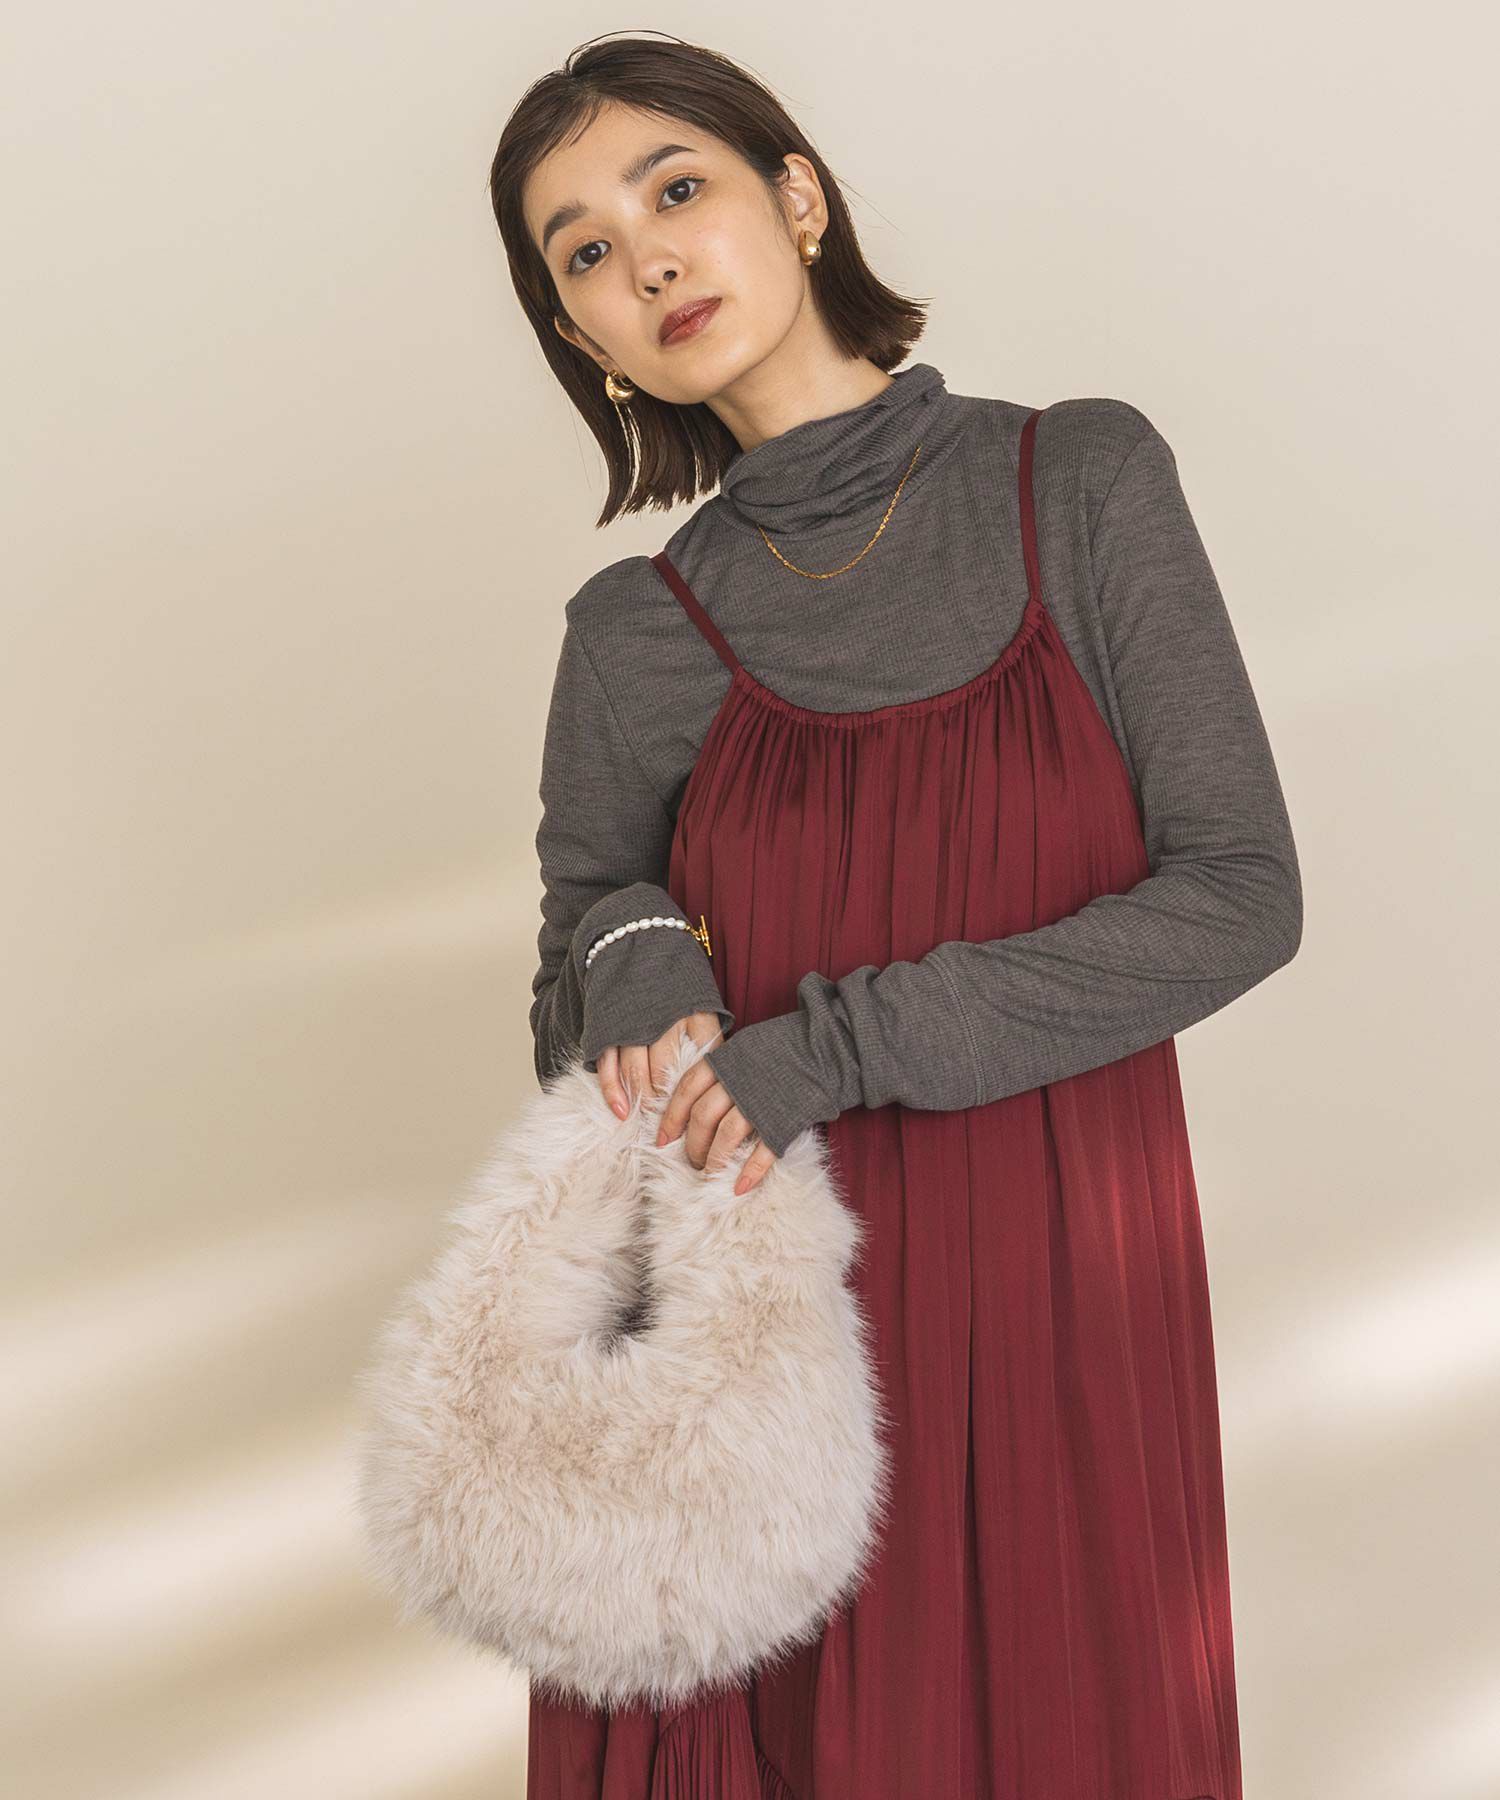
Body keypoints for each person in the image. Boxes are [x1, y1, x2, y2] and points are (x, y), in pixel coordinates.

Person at [495, 31, 1300, 1800]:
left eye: (678, 190)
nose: (649, 260)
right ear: (586, 336)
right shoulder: (633, 636)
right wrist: (631, 946)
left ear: (798, 196)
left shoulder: (1078, 485)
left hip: (1057, 1305)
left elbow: (1240, 897)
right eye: (589, 253)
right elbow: (574, 988)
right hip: (768, 1354)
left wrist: (833, 1047)